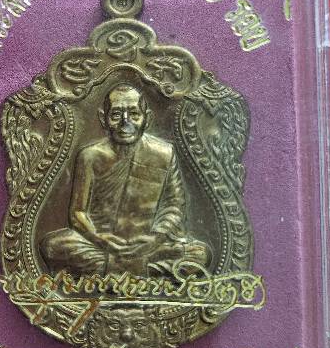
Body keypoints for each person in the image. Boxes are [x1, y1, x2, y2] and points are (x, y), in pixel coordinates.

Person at [40, 82, 210, 277]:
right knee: (52, 246)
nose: (125, 123)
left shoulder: (164, 154)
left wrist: (155, 239)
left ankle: (111, 270)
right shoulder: (90, 156)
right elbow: (78, 213)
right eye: (116, 115)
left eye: (134, 114)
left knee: (200, 254)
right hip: (101, 243)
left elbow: (174, 206)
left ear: (147, 119)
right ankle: (144, 271)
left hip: (148, 243)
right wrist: (100, 238)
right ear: (103, 119)